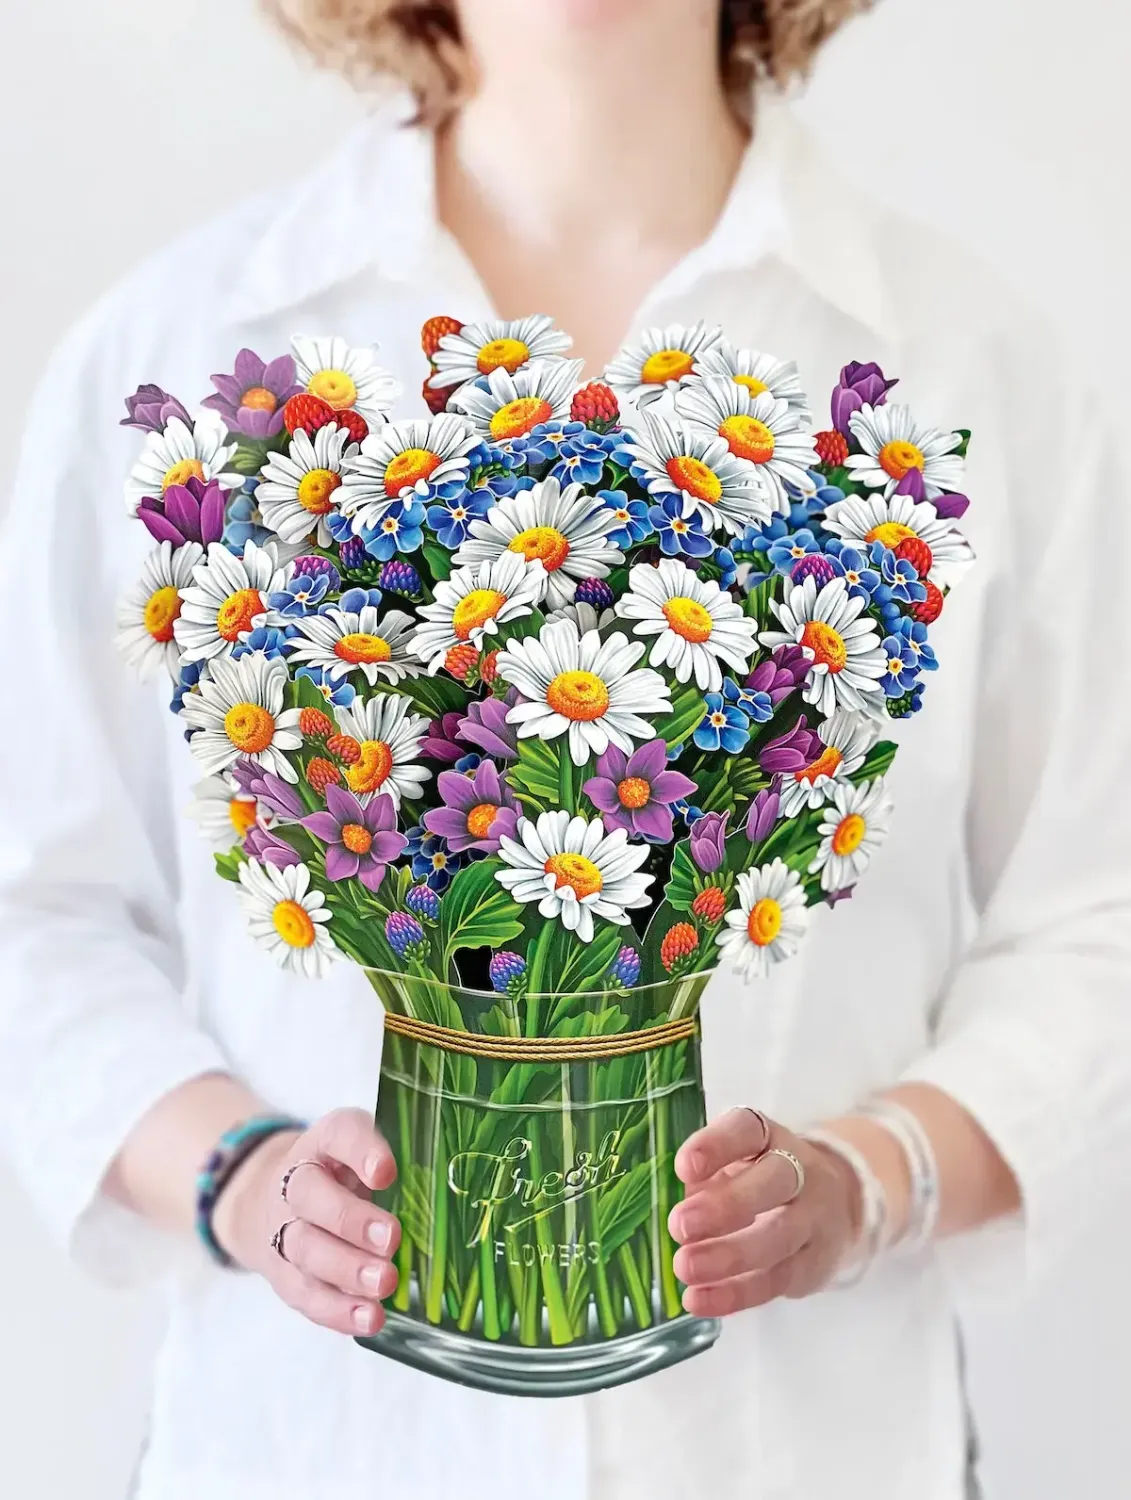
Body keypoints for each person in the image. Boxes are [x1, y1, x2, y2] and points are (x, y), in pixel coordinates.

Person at [1, 1, 1129, 1497]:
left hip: (811, 1452)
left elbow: (1094, 918)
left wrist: (867, 1183)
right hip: (310, 1452)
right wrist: (237, 1176)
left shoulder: (976, 370)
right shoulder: (184, 350)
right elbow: (40, 912)